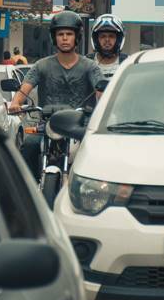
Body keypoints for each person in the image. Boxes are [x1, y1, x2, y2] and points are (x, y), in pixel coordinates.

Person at [9, 10, 106, 178]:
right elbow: (25, 88)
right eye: (60, 34)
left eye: (69, 34)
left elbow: (101, 91)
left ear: (77, 37)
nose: (65, 38)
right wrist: (15, 103)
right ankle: (29, 192)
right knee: (29, 146)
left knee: (98, 152)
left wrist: (104, 102)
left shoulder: (90, 67)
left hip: (80, 127)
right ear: (54, 38)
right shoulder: (42, 65)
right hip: (47, 125)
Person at [91, 14, 127, 81]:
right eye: (103, 36)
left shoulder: (128, 63)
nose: (107, 40)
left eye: (111, 36)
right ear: (95, 40)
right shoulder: (86, 64)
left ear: (119, 39)